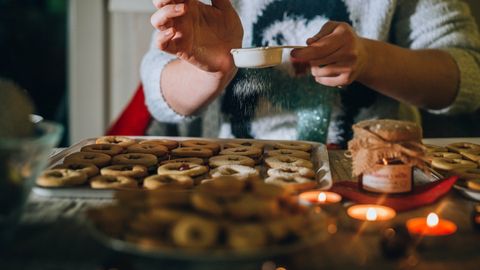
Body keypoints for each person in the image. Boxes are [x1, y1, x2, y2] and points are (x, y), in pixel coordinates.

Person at [141, 0, 480, 146]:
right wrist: (211, 73)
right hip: (240, 182)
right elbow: (160, 90)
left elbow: (468, 76)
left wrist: (369, 59)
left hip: (374, 179)